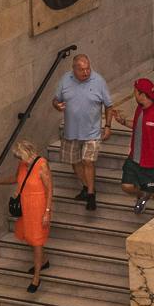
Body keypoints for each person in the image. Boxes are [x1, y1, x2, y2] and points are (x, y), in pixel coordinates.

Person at [0, 138, 51, 292]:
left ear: (28, 152)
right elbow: (15, 179)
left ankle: (36, 277)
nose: (19, 159)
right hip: (26, 206)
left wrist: (47, 212)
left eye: (20, 156)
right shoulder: (23, 164)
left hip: (39, 207)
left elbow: (50, 190)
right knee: (29, 237)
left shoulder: (42, 165)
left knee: (37, 241)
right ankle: (43, 261)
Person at [53, 53, 110, 211]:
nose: (86, 72)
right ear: (74, 69)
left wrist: (108, 126)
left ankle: (91, 195)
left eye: (88, 69)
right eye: (82, 70)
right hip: (72, 131)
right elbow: (55, 100)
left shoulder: (98, 81)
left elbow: (109, 105)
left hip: (92, 131)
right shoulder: (65, 80)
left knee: (88, 161)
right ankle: (86, 187)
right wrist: (57, 105)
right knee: (75, 162)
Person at [115, 77, 154, 216]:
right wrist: (123, 122)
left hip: (151, 161)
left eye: (135, 91)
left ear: (142, 94)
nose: (133, 94)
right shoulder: (140, 109)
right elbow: (137, 126)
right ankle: (143, 194)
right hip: (134, 158)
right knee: (126, 186)